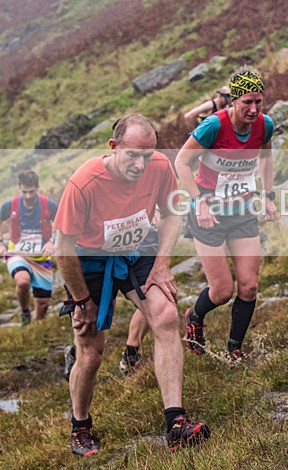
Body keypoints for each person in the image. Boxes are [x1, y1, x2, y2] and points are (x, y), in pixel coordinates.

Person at [54, 114, 210, 456]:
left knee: (166, 316)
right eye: (132, 155)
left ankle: (176, 423)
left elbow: (171, 214)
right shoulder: (84, 182)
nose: (141, 163)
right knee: (91, 352)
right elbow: (63, 249)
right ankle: (80, 426)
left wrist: (163, 264)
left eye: (148, 154)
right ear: (114, 147)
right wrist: (82, 301)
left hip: (137, 250)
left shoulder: (159, 166)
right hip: (89, 263)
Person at [177, 66, 276, 361]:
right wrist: (199, 203)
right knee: (221, 291)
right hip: (210, 215)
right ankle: (194, 316)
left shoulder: (265, 125)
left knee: (249, 285)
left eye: (258, 101)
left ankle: (234, 348)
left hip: (243, 212)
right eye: (247, 102)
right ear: (233, 101)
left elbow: (266, 158)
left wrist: (268, 196)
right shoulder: (213, 127)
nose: (253, 109)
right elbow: (181, 163)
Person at [0, 171, 59, 325]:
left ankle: (33, 326)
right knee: (23, 282)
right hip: (17, 253)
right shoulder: (10, 205)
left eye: (31, 192)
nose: (27, 196)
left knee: (43, 306)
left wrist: (52, 241)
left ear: (37, 188)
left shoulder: (49, 204)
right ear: (19, 188)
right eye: (24, 192)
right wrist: (0, 243)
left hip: (41, 257)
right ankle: (25, 312)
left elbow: (62, 224)